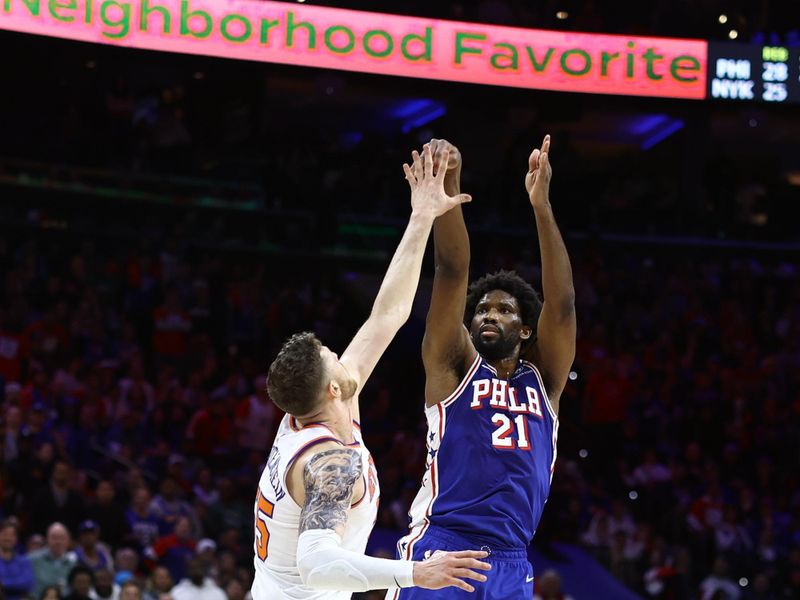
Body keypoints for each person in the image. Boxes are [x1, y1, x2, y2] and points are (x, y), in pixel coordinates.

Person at [251, 145, 490, 599]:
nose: (343, 355)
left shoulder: (310, 413)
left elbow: (386, 316)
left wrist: (423, 215)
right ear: (333, 388)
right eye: (333, 357)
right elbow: (318, 565)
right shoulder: (331, 462)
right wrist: (415, 573)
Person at [389, 136, 576, 599]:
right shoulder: (452, 366)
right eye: (482, 310)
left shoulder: (544, 380)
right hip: (444, 549)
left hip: (513, 561)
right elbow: (452, 270)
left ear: (527, 330)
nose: (490, 315)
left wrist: (542, 205)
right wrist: (450, 188)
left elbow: (564, 304)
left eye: (505, 310)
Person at [28, 523, 77, 598]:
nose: (58, 542)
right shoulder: (32, 559)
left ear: (68, 540)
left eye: (62, 538)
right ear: (47, 539)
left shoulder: (74, 564)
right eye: (54, 538)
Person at [0, 519, 35, 600]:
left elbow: (28, 584)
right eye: (4, 534)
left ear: (16, 539)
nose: (8, 538)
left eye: (12, 535)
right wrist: (16, 583)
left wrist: (3, 583)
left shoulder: (24, 561)